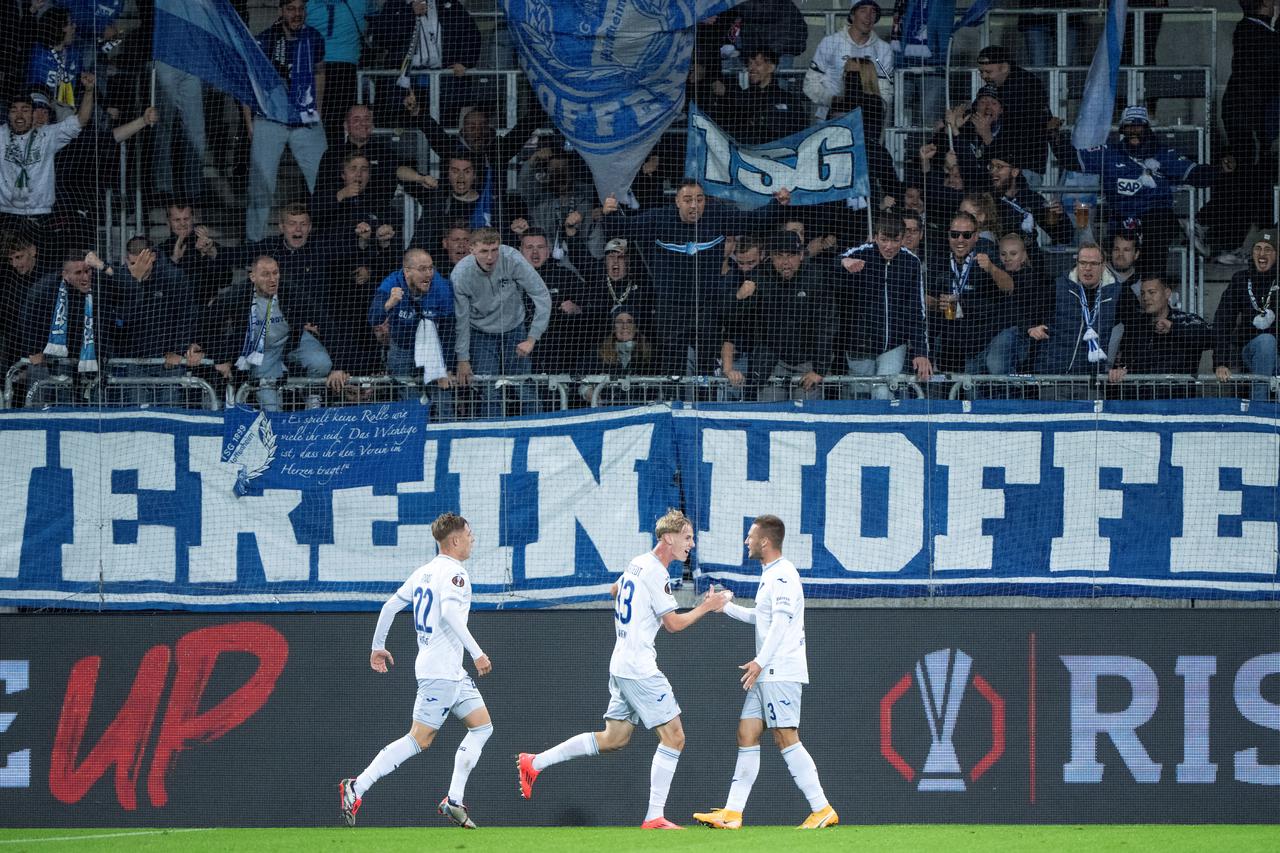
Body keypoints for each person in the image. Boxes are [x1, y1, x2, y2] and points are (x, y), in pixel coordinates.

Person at [517, 509, 730, 829]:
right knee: (675, 738)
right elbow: (672, 624)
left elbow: (615, 591)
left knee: (613, 738)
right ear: (668, 539)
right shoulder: (657, 572)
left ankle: (535, 762)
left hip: (621, 664)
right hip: (640, 668)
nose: (692, 543)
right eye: (687, 537)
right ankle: (654, 816)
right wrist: (706, 606)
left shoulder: (637, 562)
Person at [340, 513, 494, 830]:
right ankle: (358, 786)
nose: (472, 538)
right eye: (469, 533)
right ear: (455, 540)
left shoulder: (423, 573)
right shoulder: (455, 574)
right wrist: (477, 653)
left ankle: (453, 800)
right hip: (442, 673)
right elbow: (451, 614)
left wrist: (377, 646)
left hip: (449, 671)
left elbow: (389, 607)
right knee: (419, 740)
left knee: (482, 727)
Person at [693, 515, 838, 831]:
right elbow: (762, 619)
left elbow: (782, 623)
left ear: (765, 541)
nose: (746, 541)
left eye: (750, 536)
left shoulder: (783, 575)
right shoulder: (770, 575)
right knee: (746, 733)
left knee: (786, 737)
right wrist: (724, 607)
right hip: (767, 670)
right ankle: (732, 813)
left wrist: (759, 661)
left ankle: (822, 808)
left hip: (780, 669)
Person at [601, 180, 791, 375]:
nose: (694, 205)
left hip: (707, 309)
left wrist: (777, 204)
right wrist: (609, 213)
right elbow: (623, 229)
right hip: (671, 312)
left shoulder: (718, 216)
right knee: (673, 371)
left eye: (699, 199)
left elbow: (752, 220)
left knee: (705, 372)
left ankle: (704, 403)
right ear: (677, 201)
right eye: (688, 199)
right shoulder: (659, 219)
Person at [1074, 105, 1232, 278]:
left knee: (1158, 230)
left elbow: (1197, 176)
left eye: (1138, 126)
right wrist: (1054, 136)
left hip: (1156, 221)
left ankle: (1152, 285)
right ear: (1122, 130)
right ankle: (1124, 294)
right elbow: (1071, 159)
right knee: (1118, 255)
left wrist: (1221, 170)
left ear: (1147, 128)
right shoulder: (1109, 153)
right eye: (1129, 126)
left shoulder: (1164, 154)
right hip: (1120, 222)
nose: (1133, 131)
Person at [203, 254, 334, 411]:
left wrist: (340, 366)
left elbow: (325, 321)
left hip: (293, 341)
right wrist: (221, 358)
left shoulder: (290, 290)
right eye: (266, 274)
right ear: (253, 277)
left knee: (322, 363)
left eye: (275, 273)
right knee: (271, 408)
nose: (273, 279)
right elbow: (208, 323)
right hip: (263, 351)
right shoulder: (237, 295)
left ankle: (312, 394)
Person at [244, 0, 328, 242]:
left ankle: (323, 242)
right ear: (281, 11)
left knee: (323, 182)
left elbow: (320, 73)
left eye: (301, 9)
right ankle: (254, 245)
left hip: (305, 121)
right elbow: (250, 84)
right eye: (291, 9)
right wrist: (249, 121)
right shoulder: (263, 40)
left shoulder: (314, 38)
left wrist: (317, 111)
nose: (297, 14)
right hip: (271, 121)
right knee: (261, 186)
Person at [720, 230, 838, 402]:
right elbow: (731, 320)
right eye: (779, 256)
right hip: (772, 364)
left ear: (801, 256)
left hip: (808, 362)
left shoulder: (816, 278)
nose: (785, 262)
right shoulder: (759, 277)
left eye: (790, 255)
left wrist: (819, 370)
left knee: (805, 415)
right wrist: (739, 297)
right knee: (769, 412)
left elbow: (826, 326)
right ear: (771, 257)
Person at [450, 227, 550, 417]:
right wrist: (463, 359)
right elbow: (460, 321)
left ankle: (537, 432)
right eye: (484, 251)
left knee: (524, 386)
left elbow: (542, 295)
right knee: (488, 390)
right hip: (480, 333)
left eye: (494, 250)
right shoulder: (460, 275)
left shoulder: (512, 258)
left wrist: (532, 338)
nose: (490, 257)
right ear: (471, 249)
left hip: (515, 328)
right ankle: (491, 438)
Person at [0, 76, 95, 259]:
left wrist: (89, 91)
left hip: (42, 217)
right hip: (6, 215)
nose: (19, 115)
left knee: (42, 264)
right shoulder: (1, 135)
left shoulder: (48, 135)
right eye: (14, 110)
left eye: (25, 110)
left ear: (32, 113)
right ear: (8, 114)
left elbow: (81, 120)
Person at [837, 215, 933, 395]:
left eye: (895, 240)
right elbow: (827, 264)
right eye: (884, 240)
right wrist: (843, 262)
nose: (889, 246)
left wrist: (921, 352)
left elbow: (916, 310)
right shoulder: (861, 252)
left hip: (893, 346)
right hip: (860, 345)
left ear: (903, 238)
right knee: (860, 398)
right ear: (875, 237)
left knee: (882, 393)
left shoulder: (911, 263)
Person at [927, 212, 1014, 374]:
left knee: (990, 371)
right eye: (955, 235)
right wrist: (938, 304)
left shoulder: (987, 250)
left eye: (966, 235)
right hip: (954, 338)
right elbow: (927, 297)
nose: (960, 240)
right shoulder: (939, 256)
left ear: (976, 236)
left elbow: (1009, 287)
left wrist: (991, 268)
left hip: (988, 335)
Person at [1108, 276, 1212, 391]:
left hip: (1177, 401)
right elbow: (1124, 361)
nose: (1146, 298)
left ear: (1167, 293)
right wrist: (1120, 370)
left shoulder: (1186, 320)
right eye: (1142, 293)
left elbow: (1212, 338)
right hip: (1139, 402)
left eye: (1152, 292)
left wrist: (1174, 328)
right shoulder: (1134, 326)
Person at [1213, 229, 1278, 400]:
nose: (1262, 254)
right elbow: (1223, 320)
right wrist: (1221, 362)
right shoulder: (1241, 280)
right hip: (1251, 352)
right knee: (1266, 342)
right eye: (1258, 248)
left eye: (1268, 249)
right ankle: (1259, 407)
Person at [1039, 242, 1121, 375]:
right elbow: (1034, 313)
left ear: (1103, 265)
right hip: (1053, 376)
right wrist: (1032, 326)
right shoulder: (1057, 286)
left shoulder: (1117, 293)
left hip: (1092, 380)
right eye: (1083, 263)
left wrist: (1121, 366)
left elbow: (1133, 329)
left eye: (1094, 264)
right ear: (1076, 263)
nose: (1087, 268)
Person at [975, 45, 1051, 181]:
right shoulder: (1003, 85)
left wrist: (987, 135)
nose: (983, 76)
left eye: (988, 72)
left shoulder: (1023, 88)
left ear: (1004, 67)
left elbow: (1016, 132)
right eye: (981, 72)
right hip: (1012, 165)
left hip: (1022, 168)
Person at [805, 1, 894, 117]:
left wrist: (872, 110)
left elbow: (886, 89)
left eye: (873, 11)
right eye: (863, 11)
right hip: (828, 119)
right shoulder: (830, 42)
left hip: (867, 123)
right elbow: (810, 83)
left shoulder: (884, 49)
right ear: (852, 16)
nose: (868, 16)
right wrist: (832, 101)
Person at [711, 49, 810, 145]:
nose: (751, 68)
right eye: (749, 64)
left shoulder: (788, 100)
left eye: (757, 64)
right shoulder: (739, 98)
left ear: (771, 67)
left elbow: (802, 132)